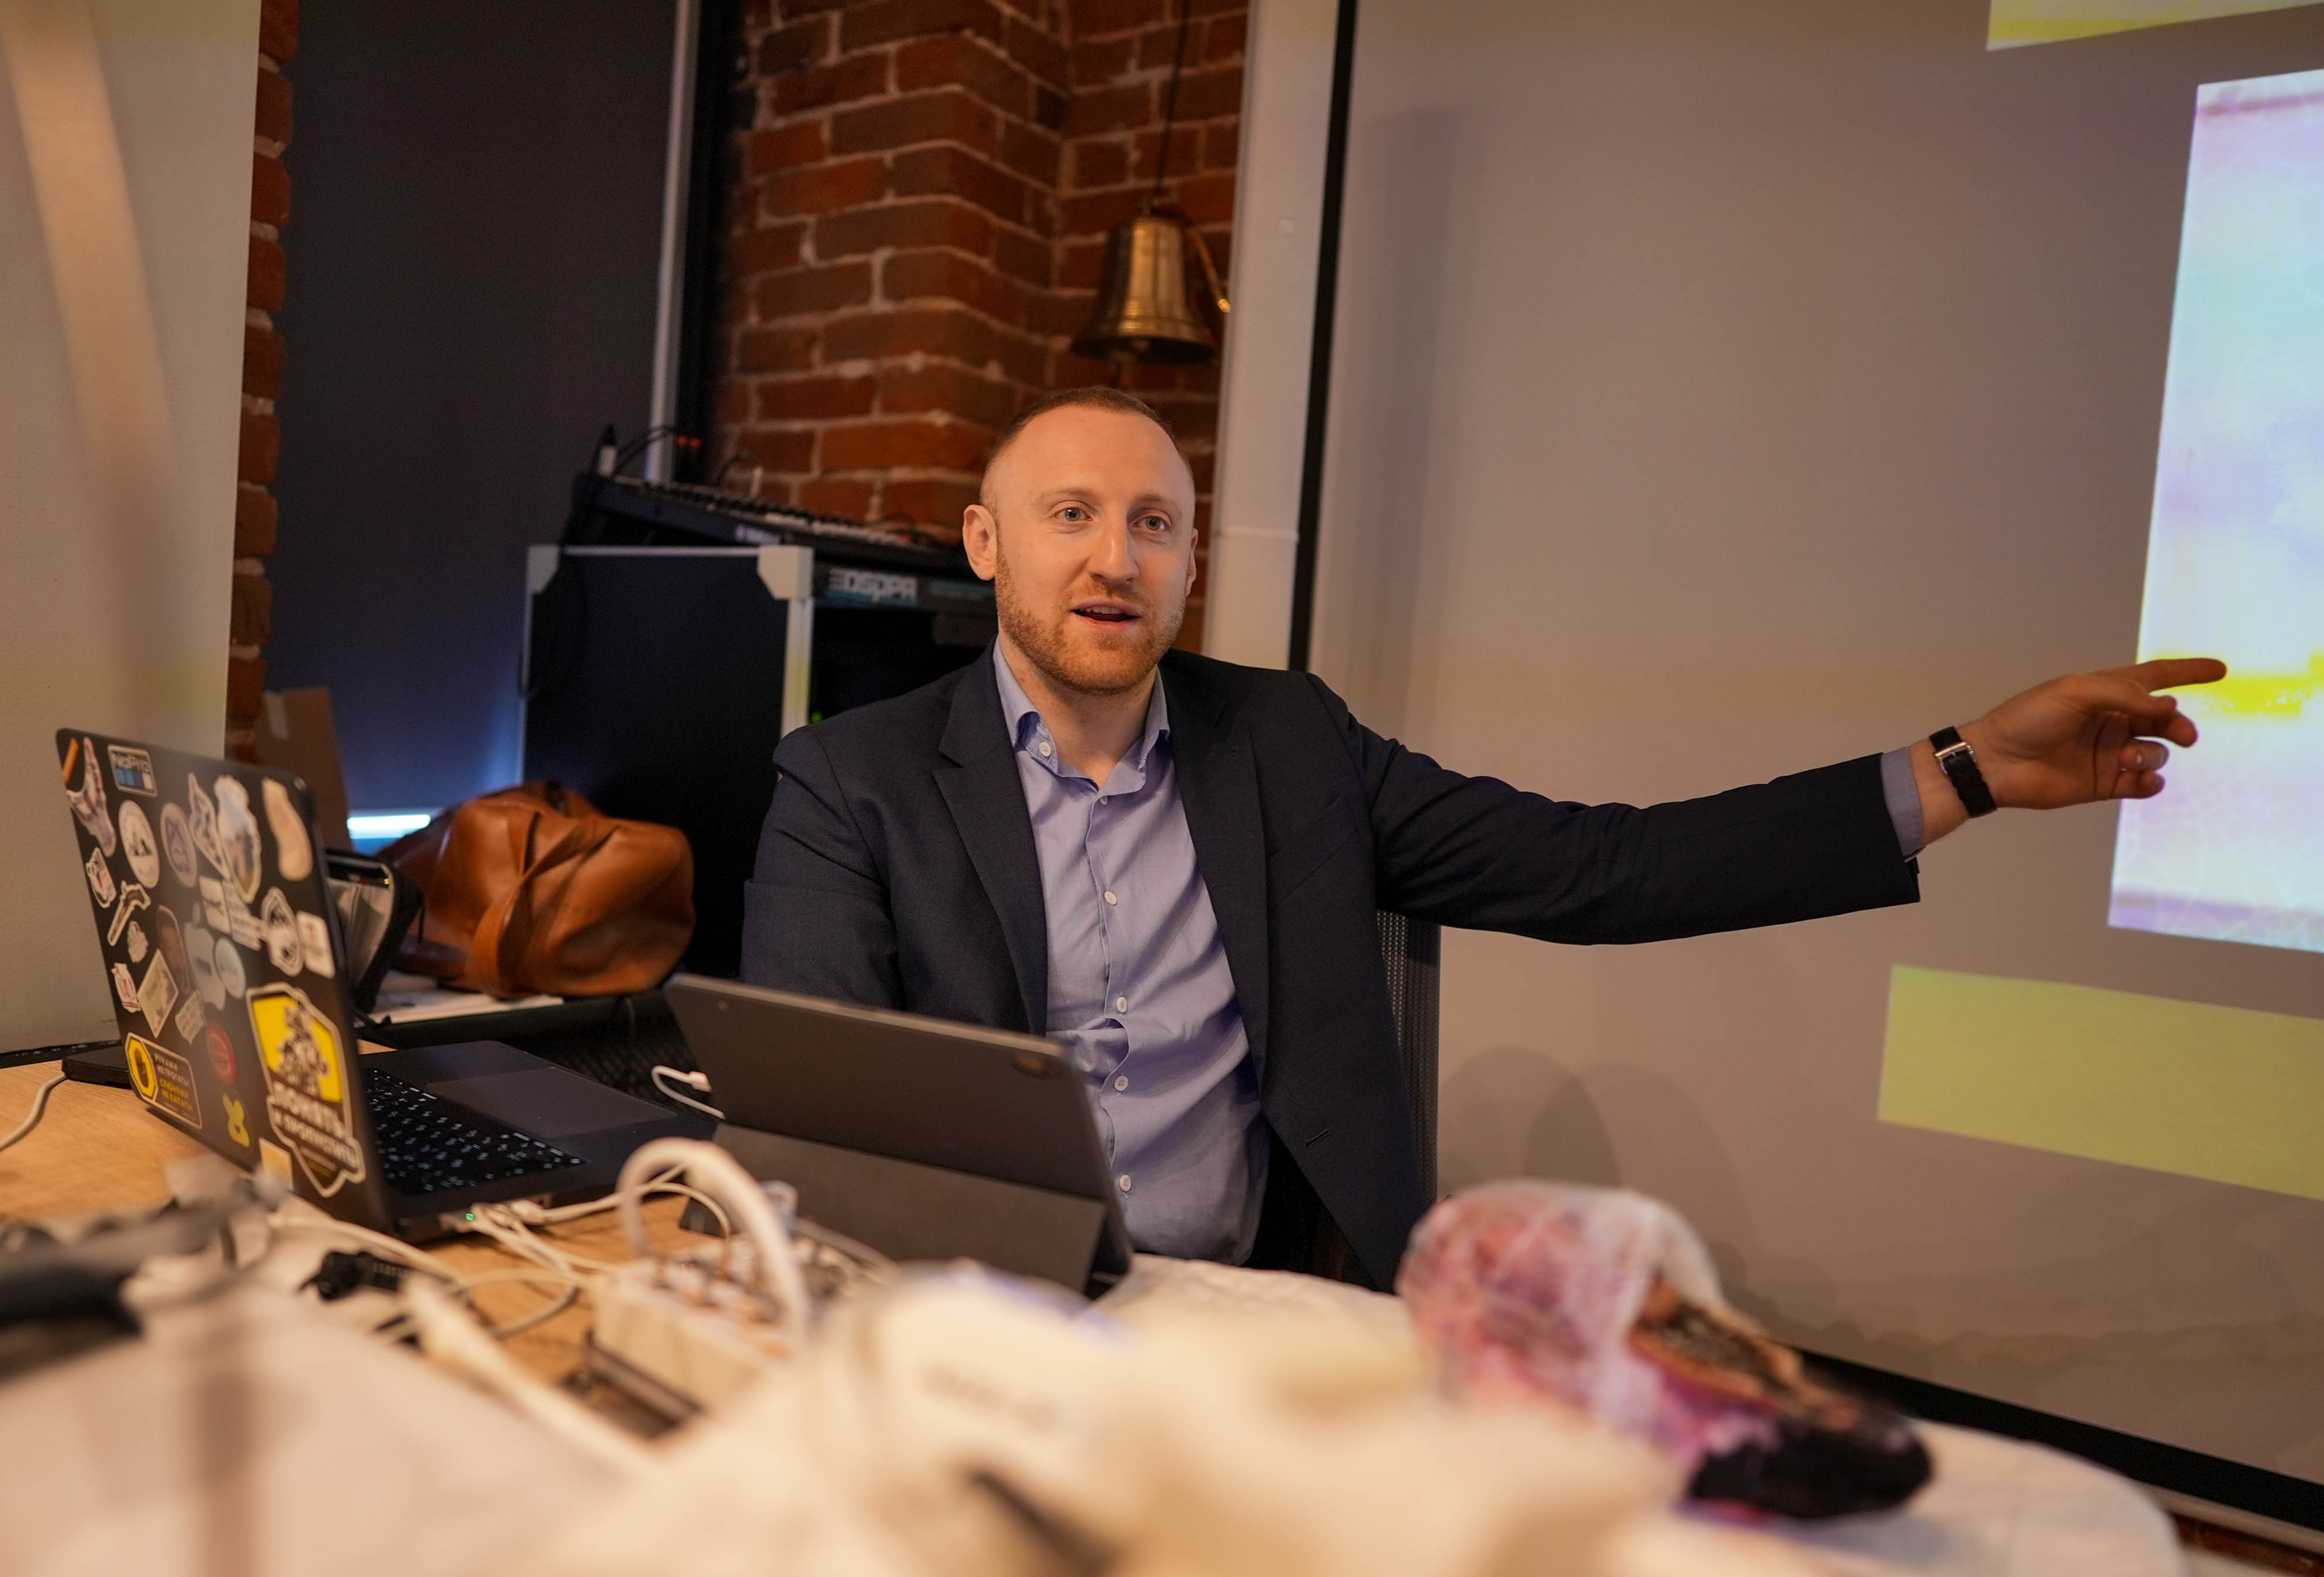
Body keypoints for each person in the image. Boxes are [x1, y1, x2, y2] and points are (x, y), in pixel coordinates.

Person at [742, 387, 2223, 1288]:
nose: (1113, 557)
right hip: (977, 1313)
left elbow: (1605, 868)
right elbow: (814, 1120)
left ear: (1191, 560)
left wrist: (1962, 770)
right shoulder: (848, 782)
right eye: (1068, 514)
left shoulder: (1289, 743)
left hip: (1264, 1317)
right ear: (986, 541)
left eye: (1154, 523)